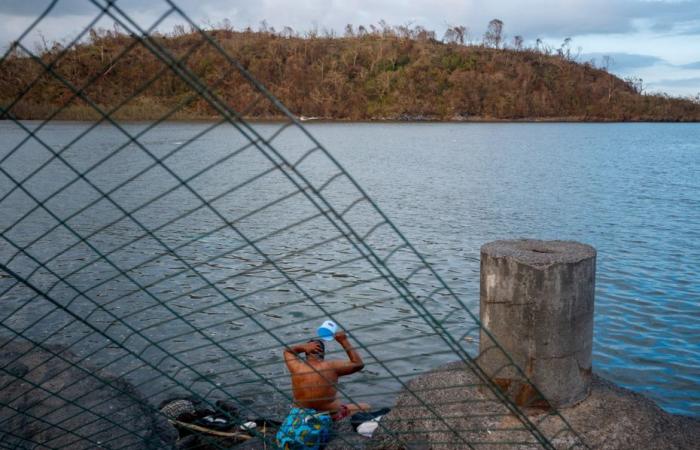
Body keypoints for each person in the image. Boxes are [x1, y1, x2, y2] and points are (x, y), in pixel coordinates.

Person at [275, 331, 370, 449]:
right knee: (365, 406)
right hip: (329, 415)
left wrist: (303, 347)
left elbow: (287, 351)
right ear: (323, 353)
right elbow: (358, 364)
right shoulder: (331, 366)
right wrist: (343, 340)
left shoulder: (296, 367)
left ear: (306, 353)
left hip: (301, 414)